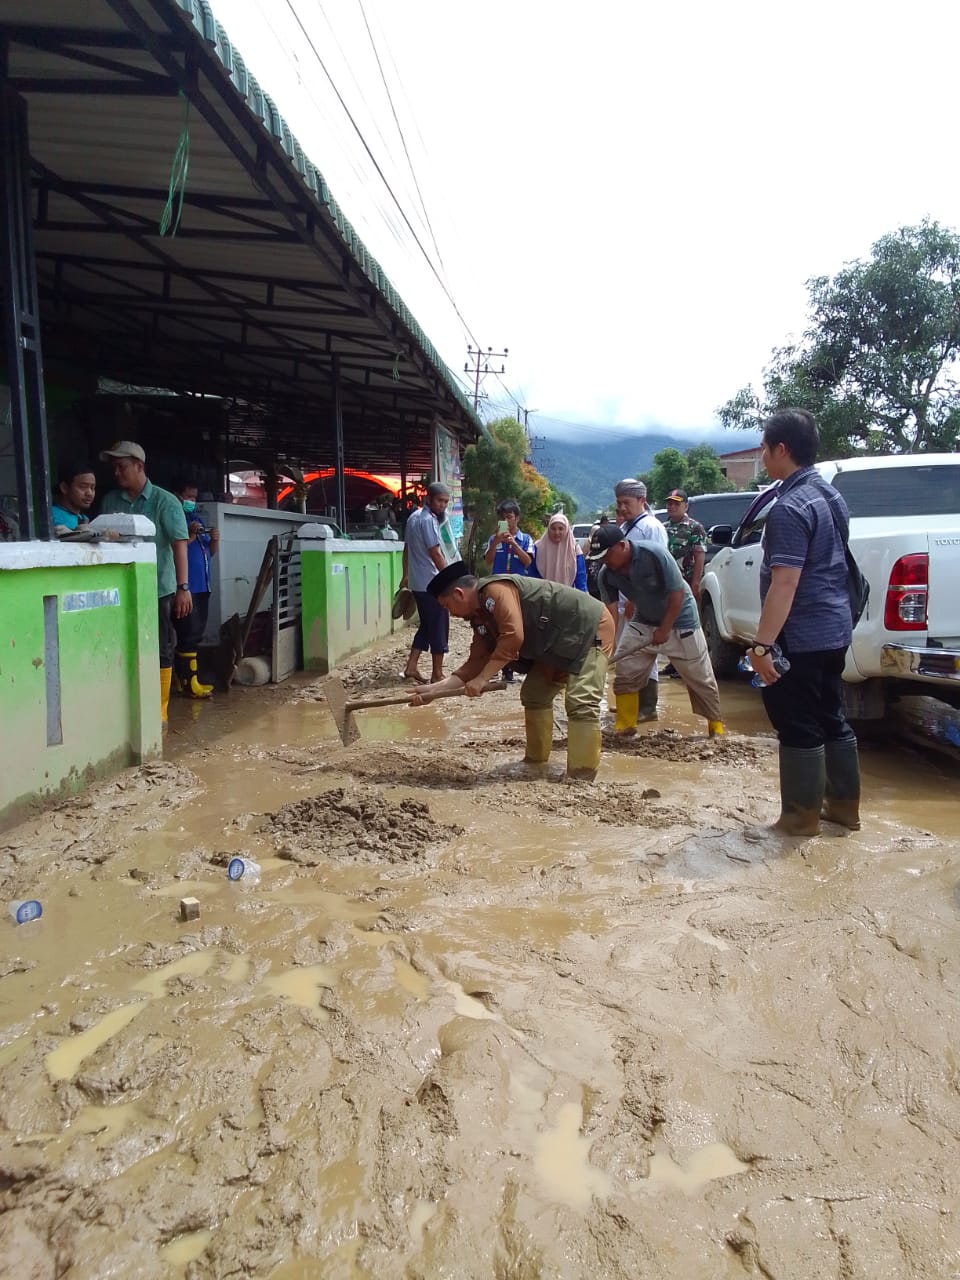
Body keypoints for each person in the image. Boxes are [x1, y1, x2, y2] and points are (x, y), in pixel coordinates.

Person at [747, 408, 860, 836]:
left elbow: (786, 583)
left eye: (764, 446)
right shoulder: (829, 496)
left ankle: (799, 820)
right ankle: (844, 811)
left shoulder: (789, 507)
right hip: (835, 629)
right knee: (832, 715)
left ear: (782, 449)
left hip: (801, 635)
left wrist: (761, 647)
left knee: (796, 722)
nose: (761, 455)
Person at [414, 560, 615, 781]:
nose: (450, 614)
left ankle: (581, 776)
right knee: (535, 694)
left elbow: (513, 636)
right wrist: (431, 691)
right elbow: (475, 662)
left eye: (446, 606)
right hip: (557, 643)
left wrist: (482, 680)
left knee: (581, 702)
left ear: (459, 594)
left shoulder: (495, 591)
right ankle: (536, 764)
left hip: (589, 628)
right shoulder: (480, 616)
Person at [587, 523, 724, 738]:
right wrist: (604, 649)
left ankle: (715, 726)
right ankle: (625, 725)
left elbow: (677, 594)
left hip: (680, 620)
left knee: (700, 678)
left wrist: (665, 629)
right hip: (643, 620)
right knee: (625, 669)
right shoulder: (607, 575)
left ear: (622, 546)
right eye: (600, 557)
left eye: (607, 555)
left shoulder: (654, 555)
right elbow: (610, 615)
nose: (604, 561)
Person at [99, 441, 190, 725]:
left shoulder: (165, 501)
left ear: (139, 465)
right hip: (122, 589)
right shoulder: (110, 501)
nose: (116, 472)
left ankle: (160, 709)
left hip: (159, 587)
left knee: (161, 646)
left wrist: (183, 588)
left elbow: (179, 545)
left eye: (121, 466)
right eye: (113, 467)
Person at [612, 478, 668, 728]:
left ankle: (647, 706)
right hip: (629, 602)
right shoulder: (628, 527)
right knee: (628, 654)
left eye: (627, 502)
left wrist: (638, 599)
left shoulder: (651, 527)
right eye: (619, 503)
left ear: (642, 501)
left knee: (644, 653)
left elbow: (654, 569)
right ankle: (633, 701)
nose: (622, 507)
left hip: (644, 602)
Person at [399, 482, 452, 684]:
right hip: (431, 581)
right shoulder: (428, 521)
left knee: (428, 625)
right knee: (439, 625)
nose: (443, 505)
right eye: (440, 500)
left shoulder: (413, 518)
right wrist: (450, 578)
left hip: (417, 582)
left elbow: (406, 549)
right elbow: (436, 553)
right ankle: (437, 673)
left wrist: (405, 575)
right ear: (428, 499)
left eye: (446, 502)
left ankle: (411, 666)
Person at [171, 477, 219, 698]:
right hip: (187, 588)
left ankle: (184, 680)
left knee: (195, 633)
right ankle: (190, 682)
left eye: (194, 497)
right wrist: (189, 535)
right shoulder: (175, 519)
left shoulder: (195, 518)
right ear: (177, 496)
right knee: (188, 633)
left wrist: (214, 540)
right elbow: (173, 549)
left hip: (203, 587)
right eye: (188, 496)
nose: (192, 501)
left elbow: (209, 552)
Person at [484, 499, 535, 681]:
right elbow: (488, 561)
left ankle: (511, 668)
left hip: (518, 589)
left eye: (510, 517)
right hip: (497, 588)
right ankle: (495, 666)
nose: (507, 520)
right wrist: (496, 541)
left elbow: (528, 562)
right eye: (504, 518)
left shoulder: (526, 539)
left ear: (517, 518)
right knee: (495, 627)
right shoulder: (493, 539)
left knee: (515, 627)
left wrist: (513, 544)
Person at [662, 488, 708, 676]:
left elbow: (699, 556)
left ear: (686, 505)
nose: (672, 507)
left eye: (676, 503)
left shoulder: (694, 527)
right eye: (670, 503)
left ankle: (690, 665)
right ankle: (673, 664)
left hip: (686, 584)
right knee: (669, 623)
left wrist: (696, 583)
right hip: (666, 586)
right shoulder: (662, 528)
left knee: (686, 625)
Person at [531, 512, 587, 590]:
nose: (557, 532)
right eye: (553, 529)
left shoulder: (574, 550)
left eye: (560, 529)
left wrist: (582, 598)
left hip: (567, 596)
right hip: (543, 595)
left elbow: (580, 579)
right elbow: (533, 576)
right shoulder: (539, 548)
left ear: (567, 529)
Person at [51, 462, 96, 534]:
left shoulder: (84, 518)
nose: (90, 493)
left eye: (93, 488)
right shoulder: (51, 515)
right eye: (83, 487)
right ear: (64, 488)